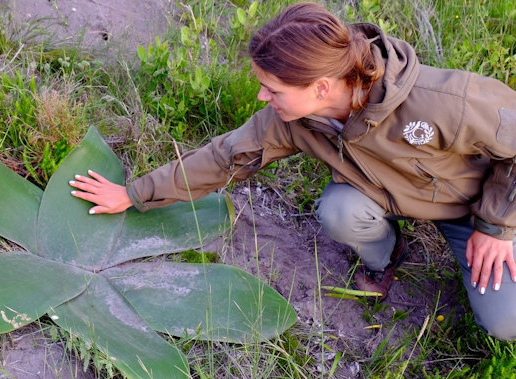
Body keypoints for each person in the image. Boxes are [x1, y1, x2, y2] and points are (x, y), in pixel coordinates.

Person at [67, 2, 516, 341]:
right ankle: (387, 255)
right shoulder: (292, 120)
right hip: (383, 197)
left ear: (321, 86)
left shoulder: (443, 101)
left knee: (504, 323)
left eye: (273, 88)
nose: (263, 98)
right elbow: (224, 158)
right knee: (338, 211)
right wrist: (135, 194)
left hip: (475, 208)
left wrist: (495, 227)